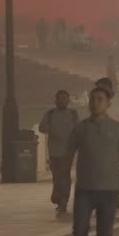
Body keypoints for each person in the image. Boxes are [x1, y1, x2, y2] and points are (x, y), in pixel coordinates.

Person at [66, 87, 119, 236]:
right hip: (84, 190)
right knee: (79, 231)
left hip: (109, 191)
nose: (95, 103)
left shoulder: (117, 129)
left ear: (108, 104)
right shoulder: (80, 129)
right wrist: (60, 187)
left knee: (105, 234)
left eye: (100, 99)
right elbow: (67, 158)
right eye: (92, 99)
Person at [40, 89, 79, 218]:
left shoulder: (73, 114)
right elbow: (41, 127)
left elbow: (79, 130)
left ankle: (63, 201)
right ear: (55, 101)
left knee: (65, 176)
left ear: (68, 101)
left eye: (64, 98)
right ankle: (58, 196)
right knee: (56, 176)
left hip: (68, 152)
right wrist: (51, 129)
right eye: (60, 98)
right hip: (54, 152)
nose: (62, 101)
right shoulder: (50, 114)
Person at [95, 77, 119, 206]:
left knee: (116, 170)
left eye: (101, 87)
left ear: (108, 88)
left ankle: (116, 197)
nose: (99, 90)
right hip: (99, 141)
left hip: (116, 141)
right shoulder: (95, 100)